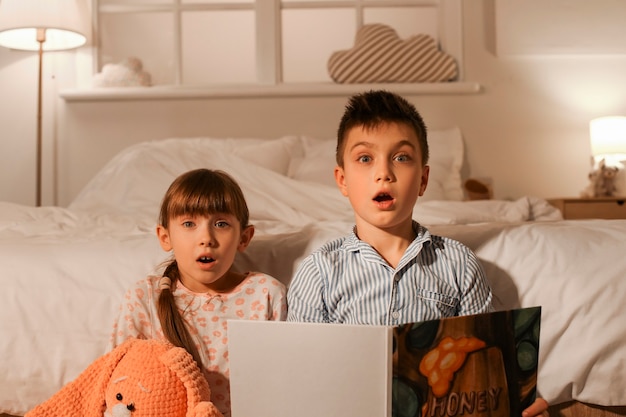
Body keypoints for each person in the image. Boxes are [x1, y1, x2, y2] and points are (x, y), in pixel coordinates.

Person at [286, 90, 548, 417]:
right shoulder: (319, 272)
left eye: (401, 157)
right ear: (342, 180)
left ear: (423, 179)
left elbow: (485, 364)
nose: (384, 173)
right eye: (365, 158)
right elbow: (301, 380)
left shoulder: (458, 264)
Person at [111, 168, 287, 417]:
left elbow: (283, 383)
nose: (206, 238)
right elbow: (119, 385)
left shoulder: (266, 294)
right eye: (189, 224)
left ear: (244, 238)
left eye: (221, 224)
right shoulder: (144, 298)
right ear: (165, 236)